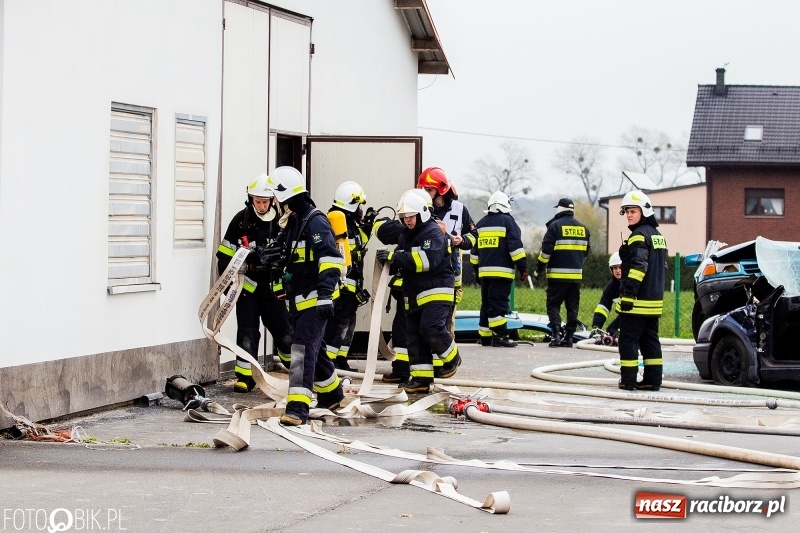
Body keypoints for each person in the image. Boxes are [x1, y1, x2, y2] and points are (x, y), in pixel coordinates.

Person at [266, 166, 345, 426]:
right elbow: (288, 259)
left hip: (315, 300)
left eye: (276, 196)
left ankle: (298, 409)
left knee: (301, 349)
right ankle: (332, 394)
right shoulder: (293, 223)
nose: (274, 202)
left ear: (284, 195)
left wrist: (325, 295)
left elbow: (331, 260)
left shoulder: (315, 221)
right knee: (315, 350)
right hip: (299, 302)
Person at [376, 189, 460, 393]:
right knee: (413, 336)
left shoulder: (433, 233)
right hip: (413, 294)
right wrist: (389, 261)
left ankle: (452, 358)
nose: (407, 221)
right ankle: (421, 380)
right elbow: (402, 261)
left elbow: (426, 261)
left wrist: (397, 258)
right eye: (404, 217)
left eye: (411, 216)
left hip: (436, 291)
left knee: (430, 328)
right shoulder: (406, 236)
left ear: (422, 212)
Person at [216, 173, 293, 393]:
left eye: (265, 201)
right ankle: (245, 377)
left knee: (285, 333)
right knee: (247, 333)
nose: (261, 205)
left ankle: (294, 368)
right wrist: (232, 278)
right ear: (251, 199)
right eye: (257, 200)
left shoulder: (283, 221)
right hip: (248, 290)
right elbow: (223, 255)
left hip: (274, 289)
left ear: (272, 200)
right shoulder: (241, 221)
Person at [616, 190, 667, 392]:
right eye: (627, 211)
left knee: (628, 339)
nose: (629, 215)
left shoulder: (638, 236)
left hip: (637, 301)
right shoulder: (658, 236)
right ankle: (652, 380)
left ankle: (628, 381)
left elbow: (639, 267)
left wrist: (628, 294)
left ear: (644, 211)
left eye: (633, 211)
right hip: (654, 302)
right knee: (650, 341)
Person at [418, 167, 477, 335]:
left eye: (429, 190)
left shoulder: (459, 210)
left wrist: (463, 240)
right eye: (422, 189)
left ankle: (447, 357)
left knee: (447, 321)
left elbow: (474, 235)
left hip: (452, 275)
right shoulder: (421, 209)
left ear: (441, 190)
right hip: (428, 273)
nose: (425, 193)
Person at [323, 181, 373, 371]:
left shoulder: (349, 222)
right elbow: (345, 251)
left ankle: (341, 360)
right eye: (359, 205)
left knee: (348, 323)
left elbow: (359, 242)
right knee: (338, 324)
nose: (361, 209)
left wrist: (367, 226)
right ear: (352, 203)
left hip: (351, 284)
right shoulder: (336, 222)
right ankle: (329, 363)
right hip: (342, 284)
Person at [469, 191, 527, 348]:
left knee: (486, 304)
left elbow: (474, 252)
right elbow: (515, 247)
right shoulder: (509, 222)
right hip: (502, 273)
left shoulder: (480, 224)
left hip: (484, 273)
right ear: (506, 205)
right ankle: (501, 336)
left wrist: (476, 271)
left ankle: (486, 337)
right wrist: (522, 267)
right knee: (498, 304)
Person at [535, 198, 590, 348]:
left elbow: (545, 252)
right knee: (572, 307)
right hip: (575, 278)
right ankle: (569, 337)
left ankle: (556, 335)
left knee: (553, 305)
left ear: (559, 209)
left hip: (557, 277)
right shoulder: (584, 229)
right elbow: (586, 253)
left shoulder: (554, 227)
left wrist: (540, 269)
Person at [591, 252, 623, 338]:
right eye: (615, 268)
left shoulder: (632, 285)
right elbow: (602, 308)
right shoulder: (611, 288)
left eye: (620, 267)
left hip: (638, 319)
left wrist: (622, 330)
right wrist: (596, 327)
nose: (618, 271)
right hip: (624, 318)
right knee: (611, 330)